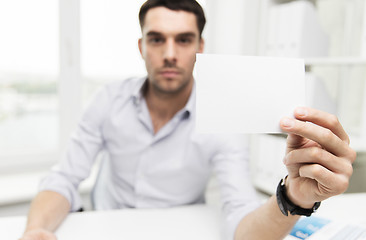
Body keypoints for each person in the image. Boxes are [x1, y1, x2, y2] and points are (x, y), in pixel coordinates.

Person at [20, 0, 356, 240]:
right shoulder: (108, 101)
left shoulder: (222, 118)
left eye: (183, 39)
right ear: (141, 46)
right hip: (109, 226)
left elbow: (241, 220)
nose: (169, 53)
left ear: (200, 47)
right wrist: (36, 230)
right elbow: (64, 178)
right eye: (156, 39)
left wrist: (293, 197)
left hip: (178, 230)